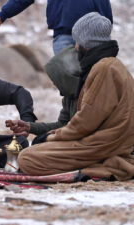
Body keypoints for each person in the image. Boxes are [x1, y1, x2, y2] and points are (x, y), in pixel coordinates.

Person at [16, 12, 134, 181]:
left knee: (27, 158)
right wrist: (36, 130)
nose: (76, 46)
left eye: (77, 41)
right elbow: (76, 123)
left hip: (104, 145)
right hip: (101, 142)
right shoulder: (109, 66)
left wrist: (51, 137)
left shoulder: (104, 68)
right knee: (36, 150)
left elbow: (86, 122)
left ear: (85, 43)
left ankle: (108, 167)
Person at [6, 45, 80, 144]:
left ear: (66, 78)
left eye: (56, 80)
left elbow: (78, 130)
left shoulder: (85, 95)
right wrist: (29, 126)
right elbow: (62, 124)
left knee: (29, 153)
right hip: (71, 139)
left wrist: (50, 137)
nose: (54, 84)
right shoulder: (69, 97)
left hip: (83, 143)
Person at [0, 0, 113, 54]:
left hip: (94, 36)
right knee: (69, 86)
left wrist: (106, 29)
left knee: (98, 83)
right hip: (64, 35)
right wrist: (2, 15)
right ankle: (72, 111)